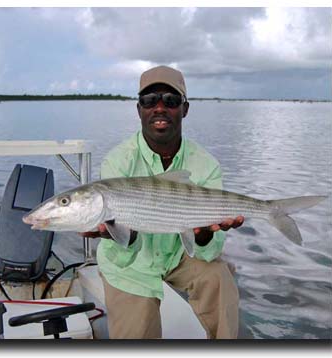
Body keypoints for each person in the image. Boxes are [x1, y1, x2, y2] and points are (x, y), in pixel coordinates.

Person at [82, 65, 244, 339]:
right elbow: (123, 251)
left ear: (185, 108)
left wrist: (204, 235)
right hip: (131, 266)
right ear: (139, 109)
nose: (159, 108)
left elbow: (207, 251)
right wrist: (119, 235)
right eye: (149, 100)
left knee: (219, 278)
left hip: (182, 254)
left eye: (170, 100)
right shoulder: (118, 161)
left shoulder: (206, 164)